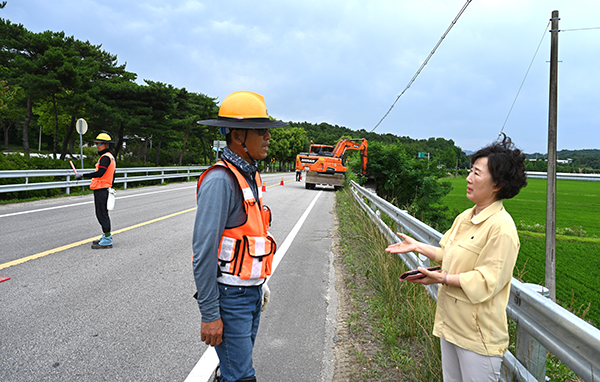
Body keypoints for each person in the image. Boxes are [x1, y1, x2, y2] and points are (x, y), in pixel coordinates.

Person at [386, 134, 527, 382]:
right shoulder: (465, 216)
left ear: (498, 184)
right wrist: (417, 246)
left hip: (478, 335)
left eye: (476, 173)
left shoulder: (501, 228)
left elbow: (487, 281)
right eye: (470, 171)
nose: (468, 178)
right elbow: (448, 255)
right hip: (451, 325)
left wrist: (443, 278)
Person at [192, 91, 286, 382]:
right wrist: (210, 314)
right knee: (242, 376)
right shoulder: (221, 180)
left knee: (233, 370)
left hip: (251, 292)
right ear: (237, 136)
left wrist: (260, 283)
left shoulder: (250, 175)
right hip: (231, 296)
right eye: (261, 131)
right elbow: (203, 253)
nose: (269, 137)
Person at [76, 133, 117, 249]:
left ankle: (107, 239)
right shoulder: (111, 157)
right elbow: (113, 175)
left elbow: (100, 173)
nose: (97, 146)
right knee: (102, 214)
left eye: (99, 144)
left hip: (101, 189)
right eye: (96, 144)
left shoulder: (105, 158)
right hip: (104, 189)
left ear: (106, 144)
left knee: (102, 214)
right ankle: (105, 236)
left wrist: (83, 175)